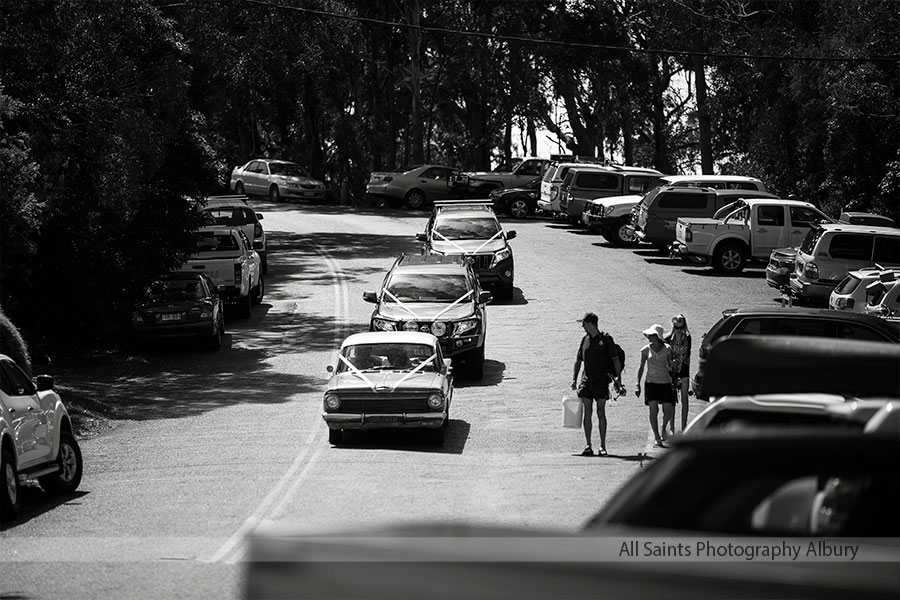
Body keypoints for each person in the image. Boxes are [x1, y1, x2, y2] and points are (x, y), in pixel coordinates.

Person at [571, 312, 623, 457]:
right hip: (586, 381)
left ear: (591, 323)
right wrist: (574, 379)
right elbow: (578, 360)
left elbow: (615, 360)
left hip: (601, 381)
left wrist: (619, 380)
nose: (582, 327)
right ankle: (588, 445)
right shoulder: (585, 340)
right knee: (587, 412)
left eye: (584, 324)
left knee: (601, 412)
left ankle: (602, 446)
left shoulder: (606, 339)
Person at [635, 324, 674, 448]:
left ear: (658, 336)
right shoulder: (645, 350)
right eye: (649, 335)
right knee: (653, 409)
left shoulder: (668, 349)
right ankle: (657, 436)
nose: (649, 338)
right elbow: (641, 367)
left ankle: (663, 427)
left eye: (652, 335)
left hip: (665, 382)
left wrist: (672, 366)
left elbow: (670, 366)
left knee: (668, 410)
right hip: (651, 383)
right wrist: (638, 384)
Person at [664, 314, 692, 432]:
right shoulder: (667, 339)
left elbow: (688, 356)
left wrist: (689, 373)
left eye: (681, 327)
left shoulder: (688, 338)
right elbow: (664, 358)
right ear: (673, 326)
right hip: (672, 371)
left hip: (684, 369)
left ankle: (684, 427)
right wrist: (670, 364)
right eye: (676, 327)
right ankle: (672, 428)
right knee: (672, 400)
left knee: (684, 398)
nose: (679, 330)